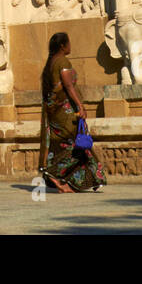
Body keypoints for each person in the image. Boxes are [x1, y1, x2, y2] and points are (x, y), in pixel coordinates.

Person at [38, 32, 106, 193]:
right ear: (63, 46)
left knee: (66, 144)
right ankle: (55, 173)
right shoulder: (62, 61)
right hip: (65, 112)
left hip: (55, 111)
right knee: (76, 143)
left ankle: (67, 181)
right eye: (68, 43)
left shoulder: (51, 62)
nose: (70, 46)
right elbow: (68, 86)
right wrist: (80, 106)